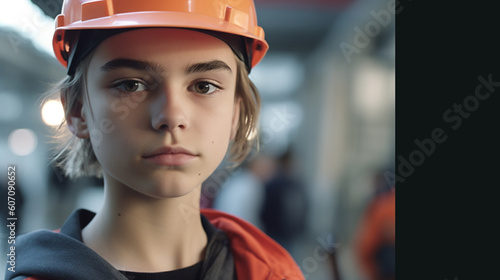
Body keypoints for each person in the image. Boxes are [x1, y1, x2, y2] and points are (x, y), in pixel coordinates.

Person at [5, 1, 304, 279]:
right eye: (131, 85)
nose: (172, 116)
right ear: (77, 110)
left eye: (203, 86)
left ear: (235, 113)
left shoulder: (273, 273)